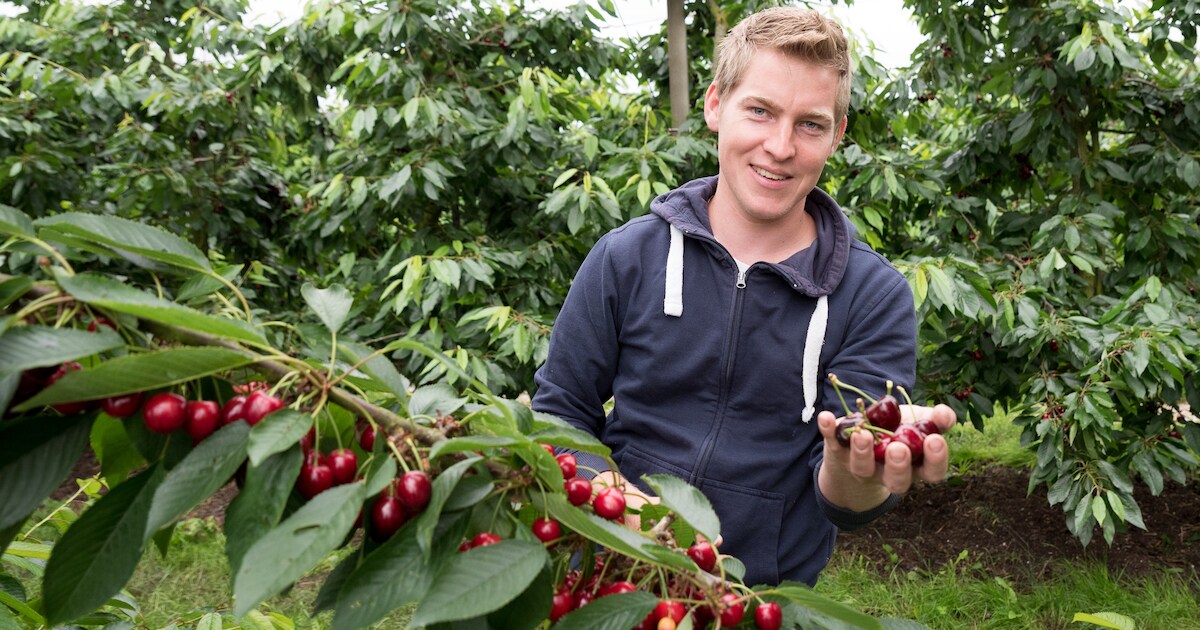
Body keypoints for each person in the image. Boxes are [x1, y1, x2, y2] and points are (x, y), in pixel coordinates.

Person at [531, 6, 955, 587]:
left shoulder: (872, 295)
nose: (780, 146)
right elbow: (560, 410)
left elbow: (849, 498)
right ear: (715, 106)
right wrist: (614, 500)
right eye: (760, 111)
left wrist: (854, 465)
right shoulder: (626, 258)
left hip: (755, 600)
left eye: (810, 124)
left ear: (836, 135)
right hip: (613, 573)